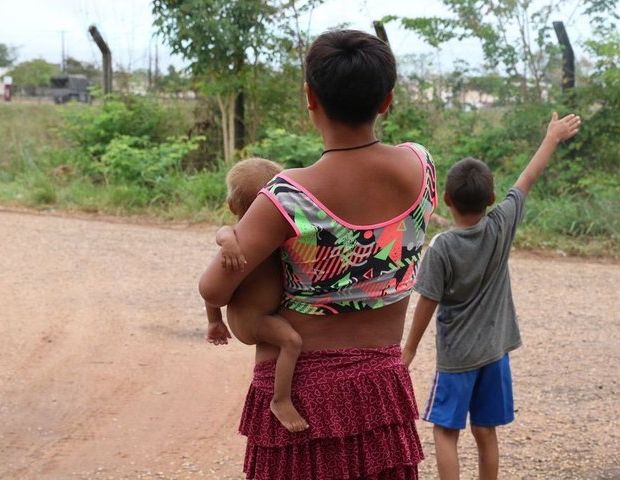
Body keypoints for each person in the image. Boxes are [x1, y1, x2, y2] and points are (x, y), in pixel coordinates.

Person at [199, 29, 438, 479]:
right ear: (386, 101)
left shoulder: (288, 196)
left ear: (310, 97)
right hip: (381, 391)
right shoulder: (421, 166)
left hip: (301, 397)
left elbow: (214, 288)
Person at [402, 112, 582, 480]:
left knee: (445, 431)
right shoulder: (501, 225)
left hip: (457, 358)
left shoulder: (442, 247)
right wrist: (552, 137)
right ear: (492, 198)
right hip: (495, 353)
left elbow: (427, 302)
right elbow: (528, 178)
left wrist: (410, 349)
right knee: (485, 431)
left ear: (446, 200)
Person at [204, 157, 309, 433]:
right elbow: (222, 236)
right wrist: (228, 242)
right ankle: (280, 399)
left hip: (262, 313)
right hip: (251, 321)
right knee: (291, 341)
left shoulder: (277, 233)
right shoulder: (236, 237)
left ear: (231, 204)